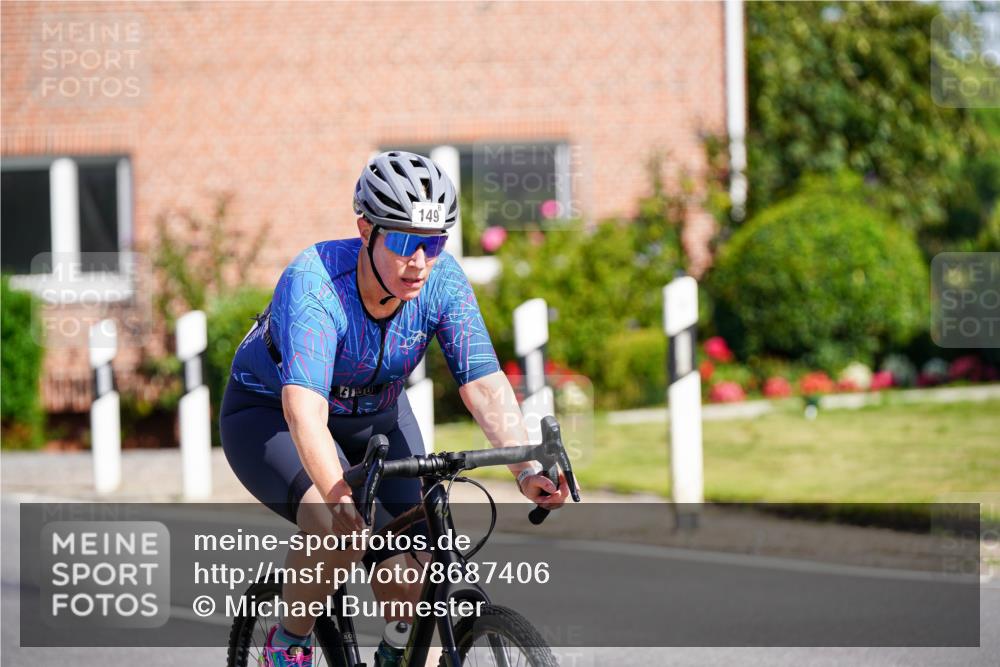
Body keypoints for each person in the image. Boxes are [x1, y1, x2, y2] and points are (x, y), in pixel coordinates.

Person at [220, 150, 574, 667]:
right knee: (334, 527)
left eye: (433, 243)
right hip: (270, 415)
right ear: (365, 229)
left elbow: (483, 384)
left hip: (377, 416)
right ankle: (286, 644)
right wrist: (343, 502)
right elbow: (304, 413)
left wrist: (526, 470)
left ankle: (397, 651)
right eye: (405, 242)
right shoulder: (316, 284)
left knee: (418, 568)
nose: (420, 262)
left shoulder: (442, 281)